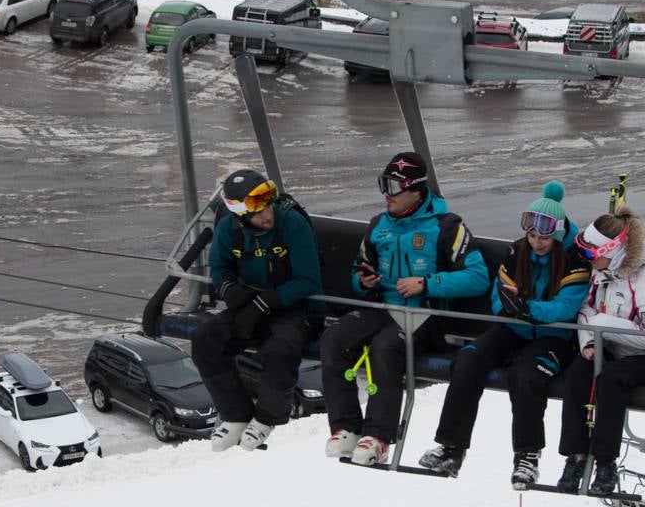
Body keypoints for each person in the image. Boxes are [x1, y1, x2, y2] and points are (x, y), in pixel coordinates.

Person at [320, 151, 490, 465]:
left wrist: (427, 283)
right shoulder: (378, 227)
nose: (387, 194)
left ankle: (379, 437)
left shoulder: (447, 227)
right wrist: (364, 281)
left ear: (416, 190)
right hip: (384, 307)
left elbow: (477, 277)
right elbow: (359, 269)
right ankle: (345, 427)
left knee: (387, 347)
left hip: (427, 315)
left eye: (394, 187)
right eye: (384, 184)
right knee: (334, 339)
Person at [418, 182, 590, 488]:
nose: (537, 243)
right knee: (467, 361)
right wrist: (511, 308)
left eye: (544, 237)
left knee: (526, 376)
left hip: (555, 336)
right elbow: (499, 299)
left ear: (558, 234)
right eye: (532, 235)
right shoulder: (516, 252)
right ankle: (451, 447)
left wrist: (527, 307)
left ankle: (527, 455)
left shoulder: (574, 261)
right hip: (513, 327)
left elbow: (565, 307)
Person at [191, 169, 323, 452]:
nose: (267, 216)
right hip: (252, 304)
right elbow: (221, 268)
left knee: (280, 349)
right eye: (258, 212)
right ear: (241, 214)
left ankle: (268, 417)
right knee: (205, 339)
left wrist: (264, 304)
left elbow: (308, 280)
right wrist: (229, 290)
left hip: (296, 309)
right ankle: (235, 413)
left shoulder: (292, 223)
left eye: (268, 207)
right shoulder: (230, 230)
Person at [555, 204, 645, 496]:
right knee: (579, 372)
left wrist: (604, 325)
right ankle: (577, 455)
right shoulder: (601, 275)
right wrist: (590, 341)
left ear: (613, 251)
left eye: (590, 255)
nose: (586, 261)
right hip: (611, 348)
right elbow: (587, 310)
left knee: (611, 379)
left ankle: (606, 462)